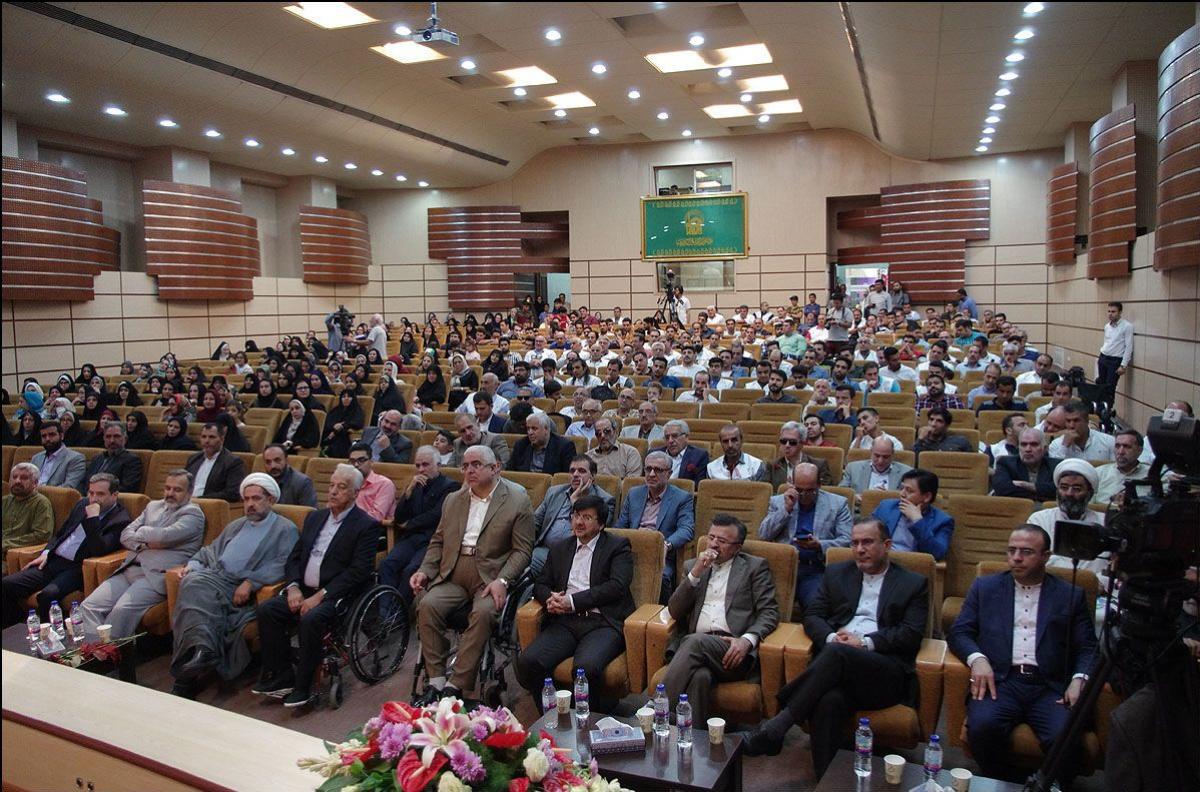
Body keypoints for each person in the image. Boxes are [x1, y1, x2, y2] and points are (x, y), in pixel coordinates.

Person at [740, 518, 928, 780]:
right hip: (836, 669)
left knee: (839, 654)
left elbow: (910, 634)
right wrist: (830, 637)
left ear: (886, 545)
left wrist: (863, 643)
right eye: (855, 543)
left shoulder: (913, 583)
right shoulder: (838, 573)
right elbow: (813, 615)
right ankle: (826, 781)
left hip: (884, 673)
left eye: (867, 542)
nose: (860, 549)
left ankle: (777, 727)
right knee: (828, 701)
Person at [948, 524, 1097, 788]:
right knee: (982, 728)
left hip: (1049, 686)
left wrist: (1079, 678)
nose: (1016, 557)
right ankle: (1006, 782)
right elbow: (960, 632)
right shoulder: (986, 587)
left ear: (1045, 556)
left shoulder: (1069, 595)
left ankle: (1049, 784)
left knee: (1066, 736)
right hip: (1002, 682)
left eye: (1026, 551)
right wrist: (977, 658)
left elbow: (1088, 646)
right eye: (1012, 550)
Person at [412, 446, 534, 704]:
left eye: (476, 464)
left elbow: (522, 550)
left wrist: (503, 580)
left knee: (483, 613)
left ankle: (456, 684)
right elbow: (438, 541)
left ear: (495, 467)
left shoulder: (516, 498)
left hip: (490, 575)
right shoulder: (453, 499)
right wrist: (425, 570)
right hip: (454, 571)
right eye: (465, 465)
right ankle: (435, 680)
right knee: (427, 604)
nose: (469, 470)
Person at [253, 464, 380, 707]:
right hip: (304, 590)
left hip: (337, 595)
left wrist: (320, 595)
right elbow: (295, 557)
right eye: (331, 485)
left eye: (341, 487)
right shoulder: (315, 517)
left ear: (356, 492)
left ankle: (304, 687)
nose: (333, 491)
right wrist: (293, 587)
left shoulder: (366, 525)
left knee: (311, 620)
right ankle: (282, 675)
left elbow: (358, 571)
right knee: (267, 610)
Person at [169, 474, 299, 698]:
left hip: (237, 587)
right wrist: (193, 563)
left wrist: (251, 582)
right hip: (215, 577)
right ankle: (201, 653)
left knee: (194, 589)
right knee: (191, 583)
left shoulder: (284, 529)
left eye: (257, 498)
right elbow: (210, 550)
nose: (250, 504)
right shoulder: (237, 525)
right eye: (247, 499)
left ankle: (188, 674)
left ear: (271, 500)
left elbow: (284, 564)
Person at [515, 494, 634, 713]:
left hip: (602, 622)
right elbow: (540, 583)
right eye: (576, 516)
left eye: (587, 517)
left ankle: (588, 720)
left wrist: (572, 601)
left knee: (585, 668)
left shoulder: (617, 546)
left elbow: (616, 587)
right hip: (565, 621)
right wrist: (550, 598)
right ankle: (553, 716)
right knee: (529, 661)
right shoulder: (561, 547)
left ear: (600, 524)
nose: (579, 522)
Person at [661, 514, 780, 726]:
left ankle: (657, 708)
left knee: (694, 641)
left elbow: (769, 612)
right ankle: (692, 743)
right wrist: (696, 573)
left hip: (732, 650)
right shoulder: (693, 566)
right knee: (700, 678)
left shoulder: (755, 567)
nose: (714, 544)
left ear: (737, 547)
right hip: (696, 651)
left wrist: (747, 640)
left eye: (722, 541)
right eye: (711, 537)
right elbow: (675, 611)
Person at [77, 470, 205, 639]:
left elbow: (164, 536)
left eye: (177, 490)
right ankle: (96, 653)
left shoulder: (193, 514)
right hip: (130, 569)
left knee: (121, 610)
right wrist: (147, 541)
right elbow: (125, 535)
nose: (170, 493)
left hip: (154, 576)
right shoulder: (153, 506)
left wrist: (143, 532)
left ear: (190, 492)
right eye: (167, 488)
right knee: (89, 606)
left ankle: (109, 655)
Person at [2, 473, 129, 626]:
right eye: (91, 493)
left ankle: (51, 639)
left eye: (100, 494)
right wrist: (46, 552)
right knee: (7, 584)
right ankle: (13, 628)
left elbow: (98, 550)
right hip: (53, 561)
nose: (94, 498)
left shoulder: (120, 519)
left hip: (77, 568)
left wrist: (93, 519)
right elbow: (61, 533)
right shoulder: (82, 504)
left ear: (115, 495)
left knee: (48, 595)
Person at [758, 463, 853, 608]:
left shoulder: (838, 504)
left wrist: (820, 545)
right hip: (782, 568)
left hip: (814, 569)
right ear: (791, 483)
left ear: (819, 485)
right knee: (763, 605)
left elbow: (847, 541)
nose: (804, 496)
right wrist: (786, 510)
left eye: (810, 491)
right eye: (799, 490)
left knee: (815, 606)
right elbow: (764, 535)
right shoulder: (778, 501)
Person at [377, 446, 459, 610]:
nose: (421, 469)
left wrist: (409, 524)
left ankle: (396, 613)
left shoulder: (451, 486)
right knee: (387, 564)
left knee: (411, 570)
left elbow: (437, 515)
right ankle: (384, 612)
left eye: (426, 465)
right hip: (411, 539)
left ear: (439, 465)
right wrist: (408, 492)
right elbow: (399, 517)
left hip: (432, 540)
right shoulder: (416, 485)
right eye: (418, 465)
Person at [614, 451, 695, 602]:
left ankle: (660, 618)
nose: (651, 474)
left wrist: (666, 544)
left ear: (669, 474)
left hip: (660, 553)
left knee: (662, 578)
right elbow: (621, 526)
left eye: (658, 470)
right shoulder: (634, 494)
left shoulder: (682, 498)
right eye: (648, 469)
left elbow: (686, 529)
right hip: (631, 549)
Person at [1026, 459, 1109, 585]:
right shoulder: (1039, 520)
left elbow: (1112, 566)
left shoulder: (1105, 522)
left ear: (1090, 494)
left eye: (1077, 488)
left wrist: (1097, 583)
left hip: (1096, 590)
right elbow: (1032, 561)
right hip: (1050, 587)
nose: (1069, 494)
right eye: (1064, 487)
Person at [531, 456, 616, 575]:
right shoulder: (554, 493)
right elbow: (534, 523)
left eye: (581, 471)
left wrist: (575, 504)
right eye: (572, 471)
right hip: (543, 551)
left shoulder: (605, 501)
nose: (575, 474)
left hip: (577, 556)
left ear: (593, 475)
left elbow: (596, 535)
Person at [870, 469, 955, 560]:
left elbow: (937, 554)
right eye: (902, 488)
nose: (902, 494)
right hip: (883, 561)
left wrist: (917, 520)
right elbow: (868, 535)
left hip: (913, 567)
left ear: (927, 497)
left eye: (909, 491)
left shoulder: (943, 521)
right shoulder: (886, 507)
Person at [1, 463, 56, 574]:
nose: (17, 481)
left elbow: (42, 535)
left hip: (13, 556)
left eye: (24, 478)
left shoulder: (41, 503)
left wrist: (6, 544)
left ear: (35, 483)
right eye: (14, 477)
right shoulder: (5, 501)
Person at [992, 428, 1061, 502]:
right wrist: (1043, 491)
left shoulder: (1056, 466)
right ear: (1018, 447)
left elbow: (1060, 490)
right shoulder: (1005, 463)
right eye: (1023, 444)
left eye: (1034, 444)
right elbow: (1002, 490)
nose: (1028, 449)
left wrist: (1026, 485)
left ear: (1044, 449)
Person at [840, 437, 913, 505]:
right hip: (859, 512)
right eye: (877, 456)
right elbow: (841, 492)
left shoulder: (906, 472)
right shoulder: (853, 468)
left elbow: (911, 497)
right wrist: (854, 497)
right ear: (871, 451)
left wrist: (887, 496)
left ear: (893, 454)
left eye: (885, 457)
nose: (880, 461)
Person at [185, 423, 247, 502]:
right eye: (204, 437)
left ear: (222, 439)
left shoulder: (233, 462)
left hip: (209, 505)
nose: (207, 441)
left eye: (212, 437)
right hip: (186, 503)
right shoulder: (193, 459)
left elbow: (232, 493)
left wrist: (200, 499)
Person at [79, 420, 143, 495]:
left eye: (116, 436)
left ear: (125, 439)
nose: (112, 440)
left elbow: (128, 487)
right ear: (104, 439)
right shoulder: (97, 458)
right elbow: (85, 482)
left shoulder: (132, 460)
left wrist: (97, 493)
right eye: (108, 437)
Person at [766, 421, 833, 487]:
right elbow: (766, 493)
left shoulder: (818, 465)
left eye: (792, 442)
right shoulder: (772, 465)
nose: (787, 445)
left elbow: (824, 493)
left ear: (802, 443)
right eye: (783, 441)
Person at [1094, 429, 1152, 504]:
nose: (1121, 452)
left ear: (1139, 451)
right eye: (1117, 446)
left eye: (1127, 447)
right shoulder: (1098, 474)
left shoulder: (1154, 475)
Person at [1048, 401, 1116, 462]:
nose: (1071, 425)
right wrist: (1064, 447)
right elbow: (1055, 470)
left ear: (1086, 421)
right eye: (1068, 421)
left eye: (1076, 420)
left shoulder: (1109, 442)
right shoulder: (1056, 445)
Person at [508, 412, 575, 474]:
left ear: (546, 429)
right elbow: (510, 471)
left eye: (534, 428)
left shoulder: (564, 446)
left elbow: (566, 477)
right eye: (528, 429)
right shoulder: (521, 444)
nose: (530, 432)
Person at [347, 442, 397, 523]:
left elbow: (376, 517)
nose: (356, 465)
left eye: (361, 460)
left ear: (371, 462)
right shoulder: (347, 483)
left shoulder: (384, 484)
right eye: (352, 461)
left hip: (374, 530)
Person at [31, 420, 86, 490]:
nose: (47, 439)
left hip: (56, 498)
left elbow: (69, 487)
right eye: (44, 436)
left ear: (62, 436)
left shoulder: (76, 458)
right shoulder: (36, 458)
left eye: (51, 435)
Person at [1096, 301, 1133, 392]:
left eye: (1113, 312)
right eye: (1109, 311)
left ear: (1120, 312)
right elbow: (1107, 342)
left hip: (1115, 361)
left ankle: (1108, 406)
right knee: (1100, 385)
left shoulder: (1127, 326)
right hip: (1103, 357)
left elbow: (1129, 347)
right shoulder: (1107, 326)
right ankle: (1101, 406)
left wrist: (1123, 365)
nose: (1110, 314)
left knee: (1110, 388)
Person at [661, 420, 709, 485]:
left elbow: (698, 485)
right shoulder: (654, 453)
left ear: (686, 437)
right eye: (667, 437)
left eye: (674, 436)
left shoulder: (699, 456)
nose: (670, 441)